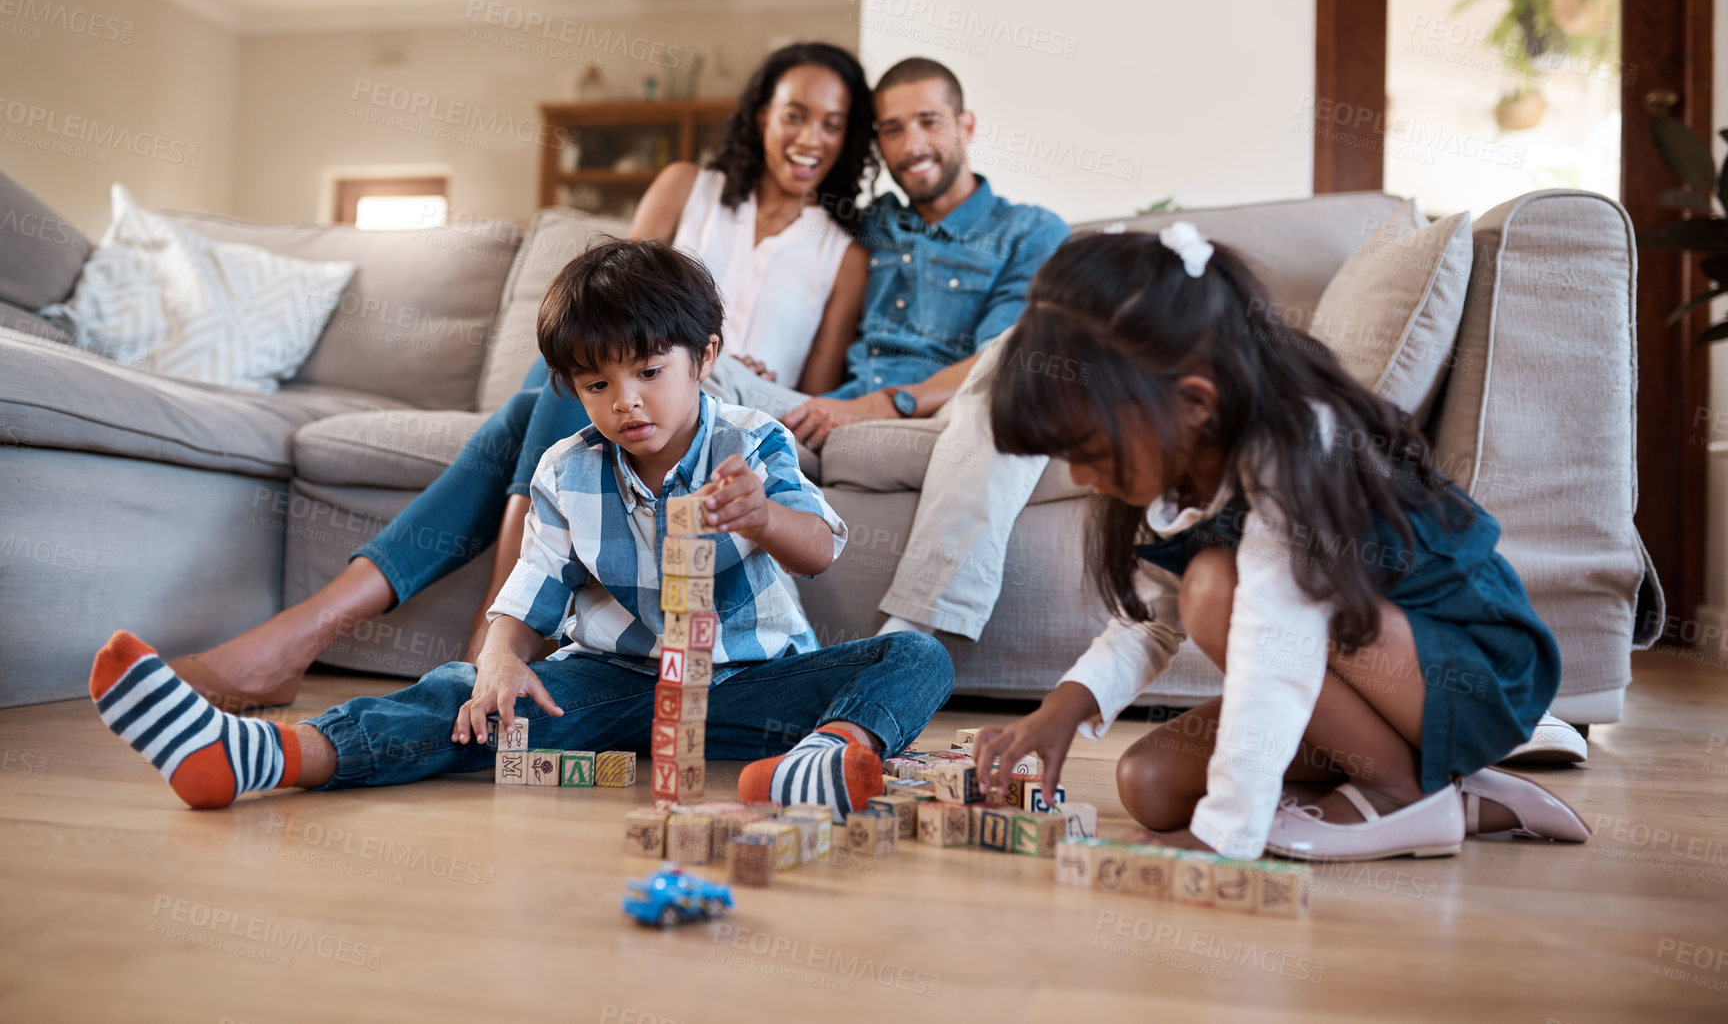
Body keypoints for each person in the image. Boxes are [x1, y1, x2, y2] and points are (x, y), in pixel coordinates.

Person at [89, 240, 953, 819]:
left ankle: (831, 754)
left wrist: (763, 518)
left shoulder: (749, 441)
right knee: (468, 700)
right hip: (614, 682)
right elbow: (531, 586)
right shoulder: (565, 469)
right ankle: (270, 753)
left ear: (708, 358)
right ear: (572, 388)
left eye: (651, 373)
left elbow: (823, 545)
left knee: (916, 655)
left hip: (753, 690)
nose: (628, 402)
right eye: (598, 384)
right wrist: (500, 657)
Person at [169, 42, 880, 712]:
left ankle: (366, 632)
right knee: (571, 376)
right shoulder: (686, 186)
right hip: (648, 369)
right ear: (761, 114)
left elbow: (813, 388)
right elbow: (615, 312)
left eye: (832, 123)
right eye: (794, 113)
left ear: (848, 137)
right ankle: (473, 636)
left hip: (727, 395)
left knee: (558, 389)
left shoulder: (843, 251)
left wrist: (748, 377)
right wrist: (634, 368)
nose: (808, 136)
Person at [968, 225, 1590, 861]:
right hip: (1377, 685)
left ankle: (1405, 797)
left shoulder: (1297, 446)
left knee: (1215, 588)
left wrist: (1225, 835)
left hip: (1470, 672)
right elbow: (1155, 622)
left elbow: (1277, 649)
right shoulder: (1182, 465)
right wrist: (1062, 709)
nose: (1079, 478)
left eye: (1090, 452)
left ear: (1193, 404)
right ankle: (1457, 791)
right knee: (1148, 785)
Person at [701, 58, 1070, 643]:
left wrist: (881, 404)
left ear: (966, 125)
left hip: (945, 421)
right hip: (826, 416)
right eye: (892, 129)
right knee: (694, 365)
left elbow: (1007, 356)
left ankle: (918, 635)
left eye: (929, 121)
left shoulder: (1028, 230)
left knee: (1017, 365)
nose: (912, 144)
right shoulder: (870, 225)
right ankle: (743, 636)